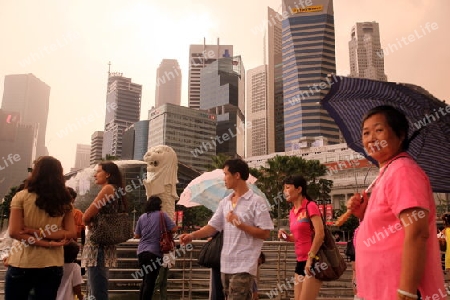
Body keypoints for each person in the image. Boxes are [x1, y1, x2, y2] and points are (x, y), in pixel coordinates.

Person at [347, 105, 445, 299]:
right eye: (366, 133)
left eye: (379, 130)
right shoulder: (388, 172)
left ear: (400, 135)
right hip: (380, 289)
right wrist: (364, 214)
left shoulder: (403, 171)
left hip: (397, 291)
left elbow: (417, 232)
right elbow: (392, 227)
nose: (371, 138)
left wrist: (406, 291)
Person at [179, 158, 274, 300]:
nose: (224, 178)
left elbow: (265, 233)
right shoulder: (225, 202)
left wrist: (240, 224)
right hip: (226, 263)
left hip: (244, 265)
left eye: (226, 174)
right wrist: (192, 236)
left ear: (237, 175)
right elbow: (212, 227)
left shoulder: (256, 202)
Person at [5, 156, 77, 300]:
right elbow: (71, 233)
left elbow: (14, 232)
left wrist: (34, 232)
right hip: (52, 264)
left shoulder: (21, 196)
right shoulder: (64, 200)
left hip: (22, 261)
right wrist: (49, 242)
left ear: (36, 172)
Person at [82, 161, 126, 300]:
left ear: (107, 174)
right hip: (105, 246)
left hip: (97, 247)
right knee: (98, 287)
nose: (95, 175)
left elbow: (86, 215)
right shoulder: (118, 190)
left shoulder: (108, 189)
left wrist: (88, 223)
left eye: (98, 171)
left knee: (97, 291)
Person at [278, 175, 325, 300]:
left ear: (299, 189)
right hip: (300, 261)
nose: (284, 192)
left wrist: (310, 259)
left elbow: (320, 234)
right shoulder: (292, 212)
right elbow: (299, 236)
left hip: (313, 261)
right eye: (284, 189)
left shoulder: (310, 206)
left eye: (288, 188)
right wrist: (287, 237)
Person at [134, 196, 177, 300]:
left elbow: (137, 235)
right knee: (150, 282)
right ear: (159, 205)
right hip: (154, 253)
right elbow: (174, 228)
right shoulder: (162, 215)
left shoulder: (142, 217)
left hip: (141, 252)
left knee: (145, 280)